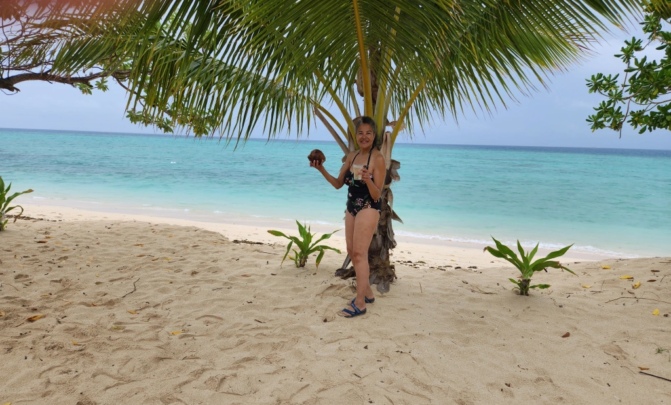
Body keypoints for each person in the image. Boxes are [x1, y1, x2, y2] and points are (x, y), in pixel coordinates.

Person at [310, 116, 386, 318]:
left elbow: (377, 194)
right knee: (352, 251)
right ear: (356, 135)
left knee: (360, 253)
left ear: (374, 135)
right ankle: (368, 292)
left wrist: (369, 179)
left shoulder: (377, 159)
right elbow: (337, 183)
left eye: (368, 133)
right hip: (351, 206)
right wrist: (321, 169)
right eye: (360, 133)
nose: (364, 136)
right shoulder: (351, 157)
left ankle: (360, 304)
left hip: (369, 207)